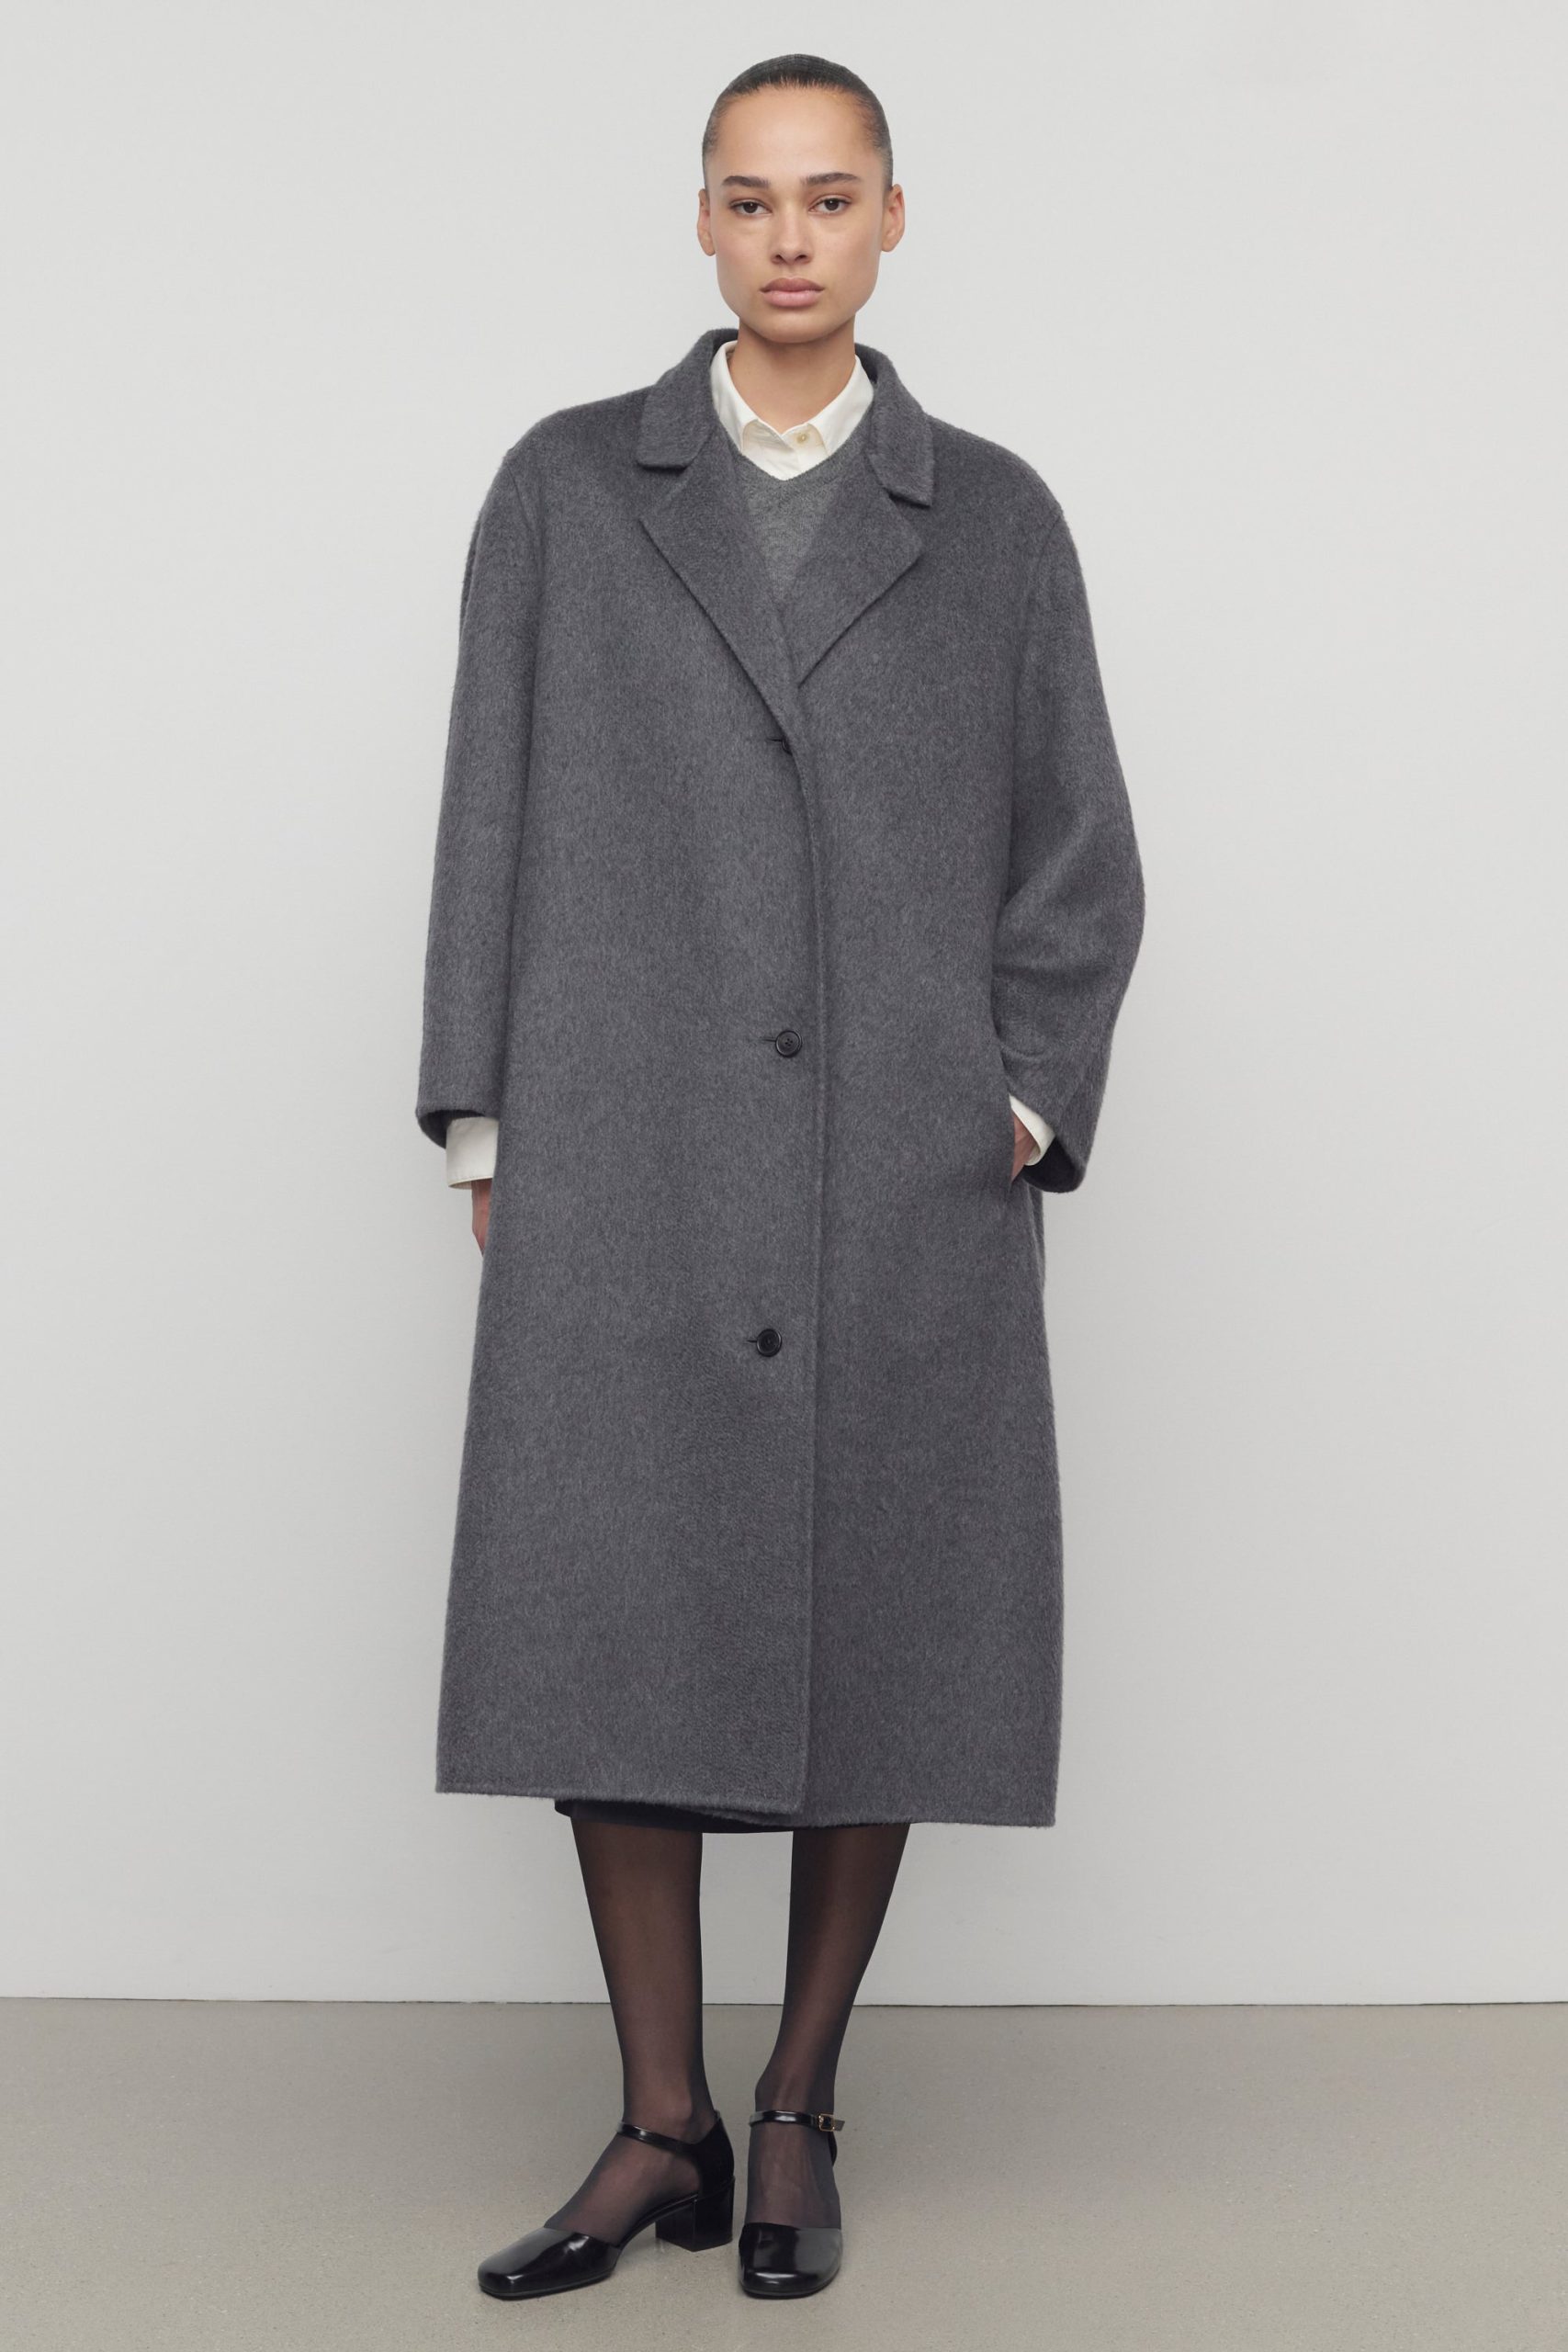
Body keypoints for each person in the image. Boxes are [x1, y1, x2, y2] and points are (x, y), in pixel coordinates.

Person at [415, 52, 1145, 2304]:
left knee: (883, 1616)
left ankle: (800, 2102)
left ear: (892, 219)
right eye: (749, 199)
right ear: (701, 222)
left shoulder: (992, 518)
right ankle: (661, 2118)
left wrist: (1010, 1099)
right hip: (624, 1142)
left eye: (829, 199)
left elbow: (1076, 844)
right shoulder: (566, 487)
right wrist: (487, 1113)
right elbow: (486, 799)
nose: (789, 238)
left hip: (892, 1170)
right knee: (610, 1605)